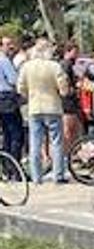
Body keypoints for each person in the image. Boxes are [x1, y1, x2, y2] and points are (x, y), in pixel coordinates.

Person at [17, 39, 70, 184]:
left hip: (34, 107)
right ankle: (58, 175)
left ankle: (36, 177)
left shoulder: (26, 67)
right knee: (57, 142)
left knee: (35, 143)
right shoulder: (55, 66)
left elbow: (20, 87)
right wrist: (60, 93)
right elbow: (64, 89)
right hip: (53, 107)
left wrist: (30, 96)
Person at [0, 36, 23, 162]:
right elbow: (14, 80)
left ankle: (7, 166)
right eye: (7, 44)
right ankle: (15, 167)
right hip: (7, 99)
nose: (11, 47)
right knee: (16, 134)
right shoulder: (4, 60)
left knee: (6, 133)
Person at [60, 42, 83, 150]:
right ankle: (68, 151)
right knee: (69, 128)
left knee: (73, 128)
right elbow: (65, 83)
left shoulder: (67, 64)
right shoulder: (66, 64)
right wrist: (73, 90)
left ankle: (71, 151)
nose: (77, 55)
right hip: (68, 102)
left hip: (68, 101)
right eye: (75, 52)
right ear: (68, 51)